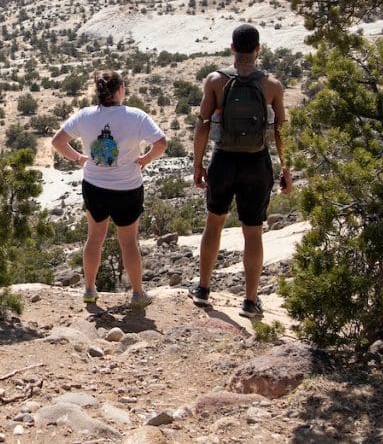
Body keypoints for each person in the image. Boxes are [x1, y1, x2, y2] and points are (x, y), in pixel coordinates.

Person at [190, 24, 292, 318]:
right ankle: (249, 301)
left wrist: (198, 164)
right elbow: (280, 130)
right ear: (258, 49)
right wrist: (286, 168)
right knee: (253, 232)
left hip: (223, 160)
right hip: (257, 163)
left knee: (214, 223)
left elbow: (203, 125)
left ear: (232, 48)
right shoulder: (272, 85)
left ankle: (203, 290)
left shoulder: (215, 81)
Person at [52, 71, 167, 309]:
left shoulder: (85, 116)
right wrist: (145, 159)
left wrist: (79, 159)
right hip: (128, 188)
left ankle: (89, 290)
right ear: (120, 90)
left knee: (94, 239)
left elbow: (57, 141)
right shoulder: (136, 116)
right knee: (128, 242)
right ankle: (137, 293)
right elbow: (161, 143)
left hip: (94, 186)